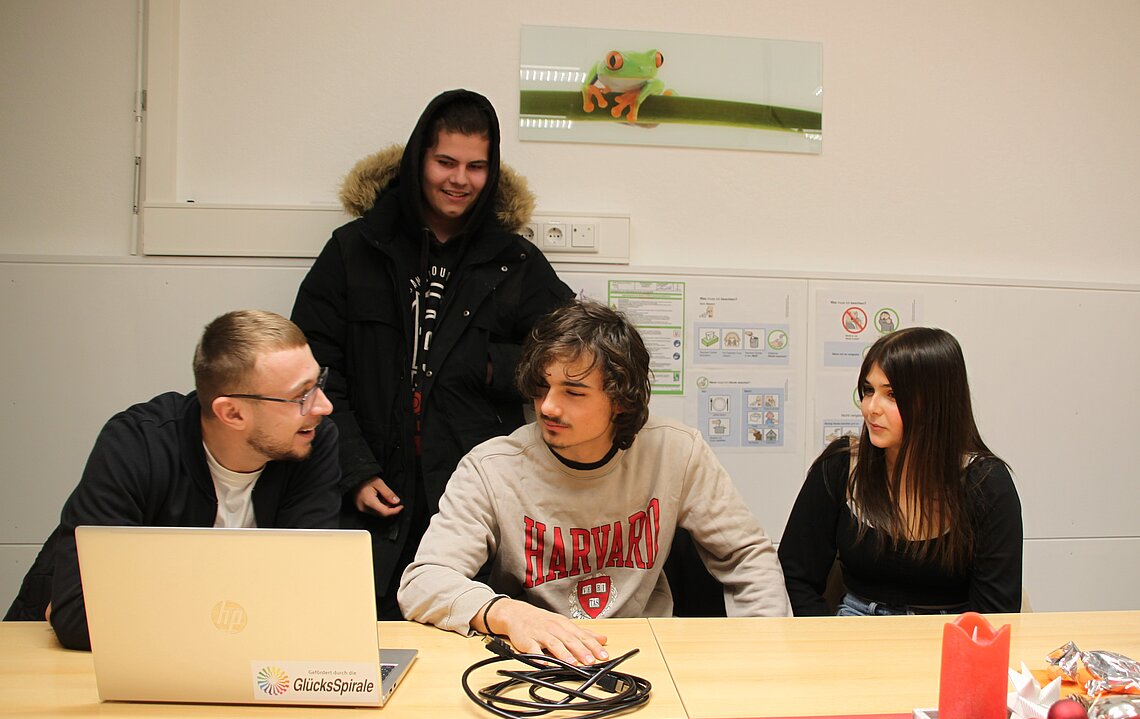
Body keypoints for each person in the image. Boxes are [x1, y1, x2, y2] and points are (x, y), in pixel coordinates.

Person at [291, 90, 573, 620]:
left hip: (473, 494)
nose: (458, 179)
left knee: (469, 628)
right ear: (419, 157)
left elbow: (567, 359)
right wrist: (351, 466)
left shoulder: (515, 261)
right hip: (368, 491)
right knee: (359, 633)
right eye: (445, 161)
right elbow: (313, 370)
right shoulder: (355, 250)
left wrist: (489, 366)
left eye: (475, 166)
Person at [398, 300, 791, 664]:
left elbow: (746, 556)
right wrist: (506, 612)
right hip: (534, 657)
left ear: (620, 399)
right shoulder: (491, 467)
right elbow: (423, 581)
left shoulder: (675, 451)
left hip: (650, 653)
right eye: (543, 387)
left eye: (573, 392)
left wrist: (765, 651)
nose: (548, 406)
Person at [4, 310, 341, 650]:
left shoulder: (311, 441)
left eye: (319, 383)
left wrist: (144, 601)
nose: (323, 406)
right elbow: (81, 620)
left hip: (227, 662)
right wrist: (249, 600)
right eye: (302, 395)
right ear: (232, 413)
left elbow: (310, 604)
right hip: (63, 665)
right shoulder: (136, 445)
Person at [778, 327, 1023, 616]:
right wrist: (828, 643)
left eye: (892, 394)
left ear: (937, 403)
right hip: (856, 625)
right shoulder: (842, 464)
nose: (871, 408)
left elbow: (995, 610)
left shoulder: (986, 482)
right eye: (869, 391)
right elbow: (794, 577)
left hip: (949, 634)